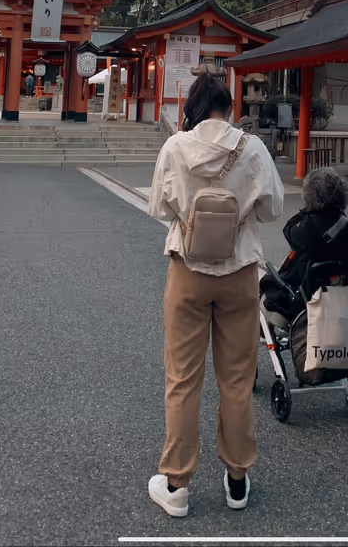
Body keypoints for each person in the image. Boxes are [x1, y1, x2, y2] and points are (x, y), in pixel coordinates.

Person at [147, 74, 284, 517]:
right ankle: (238, 480)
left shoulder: (176, 147)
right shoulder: (252, 147)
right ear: (228, 106)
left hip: (187, 269)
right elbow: (272, 207)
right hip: (239, 270)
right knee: (237, 379)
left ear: (194, 106)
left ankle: (177, 485)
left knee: (183, 380)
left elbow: (159, 208)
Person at [279, 167, 348, 298]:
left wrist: (306, 211)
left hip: (311, 296)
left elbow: (288, 231)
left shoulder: (307, 228)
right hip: (346, 295)